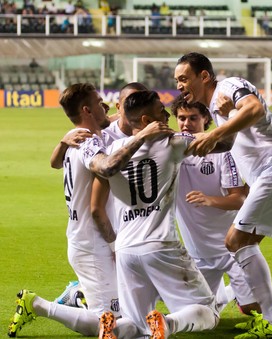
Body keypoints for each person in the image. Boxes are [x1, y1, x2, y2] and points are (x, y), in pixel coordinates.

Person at [8, 84, 170, 338]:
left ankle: (78, 293)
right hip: (93, 242)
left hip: (85, 238)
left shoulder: (79, 136)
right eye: (98, 101)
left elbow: (55, 162)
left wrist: (63, 141)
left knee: (126, 314)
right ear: (87, 109)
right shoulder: (89, 144)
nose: (104, 104)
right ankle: (37, 305)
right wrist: (115, 245)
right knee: (111, 325)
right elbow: (98, 201)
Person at [174, 52, 272, 339]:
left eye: (184, 78)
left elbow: (255, 110)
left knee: (234, 241)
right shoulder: (217, 108)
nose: (179, 85)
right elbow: (226, 142)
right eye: (176, 80)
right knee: (244, 249)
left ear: (204, 76)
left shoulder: (228, 86)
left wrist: (214, 132)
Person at [94, 90, 220, 339]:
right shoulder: (173, 143)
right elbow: (223, 142)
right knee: (209, 312)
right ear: (144, 120)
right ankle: (167, 323)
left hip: (126, 249)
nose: (165, 113)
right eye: (159, 109)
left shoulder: (115, 149)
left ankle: (114, 328)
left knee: (136, 325)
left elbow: (107, 169)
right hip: (161, 245)